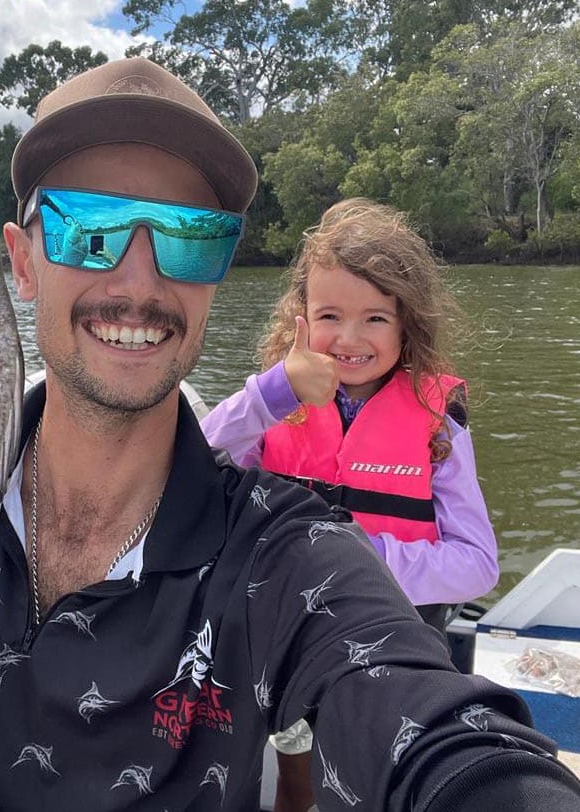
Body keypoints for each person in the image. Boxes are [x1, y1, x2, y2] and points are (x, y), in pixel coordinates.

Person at [0, 58, 580, 812]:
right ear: (19, 259)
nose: (138, 280)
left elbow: (433, 727)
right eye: (88, 230)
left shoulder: (283, 556)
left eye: (189, 238)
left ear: (218, 275)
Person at [200, 198, 500, 811]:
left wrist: (356, 559)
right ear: (302, 317)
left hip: (389, 644)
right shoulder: (275, 401)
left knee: (365, 771)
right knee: (295, 766)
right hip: (286, 634)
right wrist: (271, 393)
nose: (350, 339)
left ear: (407, 323)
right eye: (330, 315)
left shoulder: (439, 422)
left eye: (376, 319)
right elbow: (198, 461)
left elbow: (478, 564)